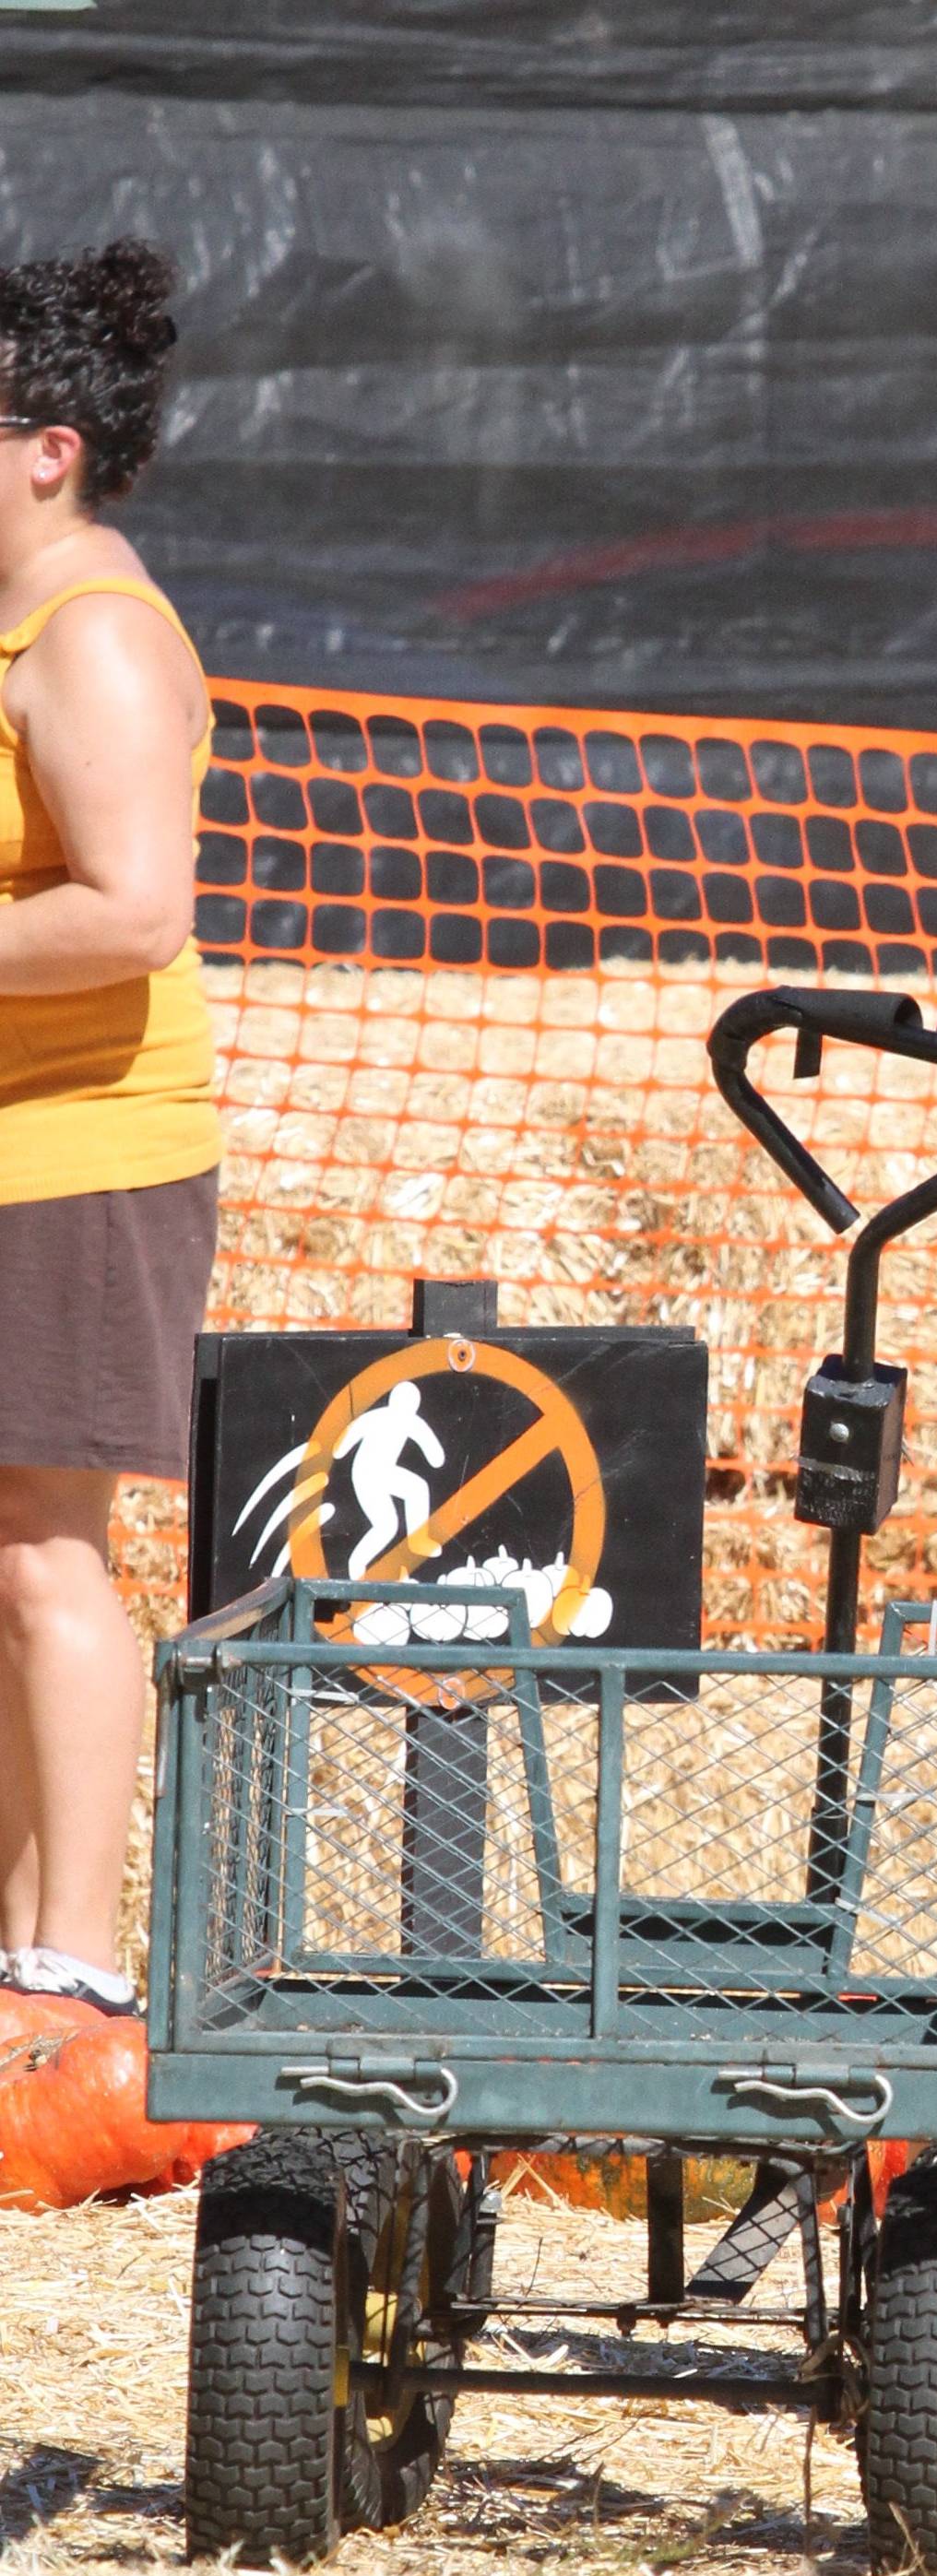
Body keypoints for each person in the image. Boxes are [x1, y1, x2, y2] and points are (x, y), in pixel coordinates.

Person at [0, 240, 219, 2015]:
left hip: (74, 1156)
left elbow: (135, 909)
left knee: (40, 1552)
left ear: (49, 447)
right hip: (21, 1145)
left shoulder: (95, 635)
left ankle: (74, 1971)